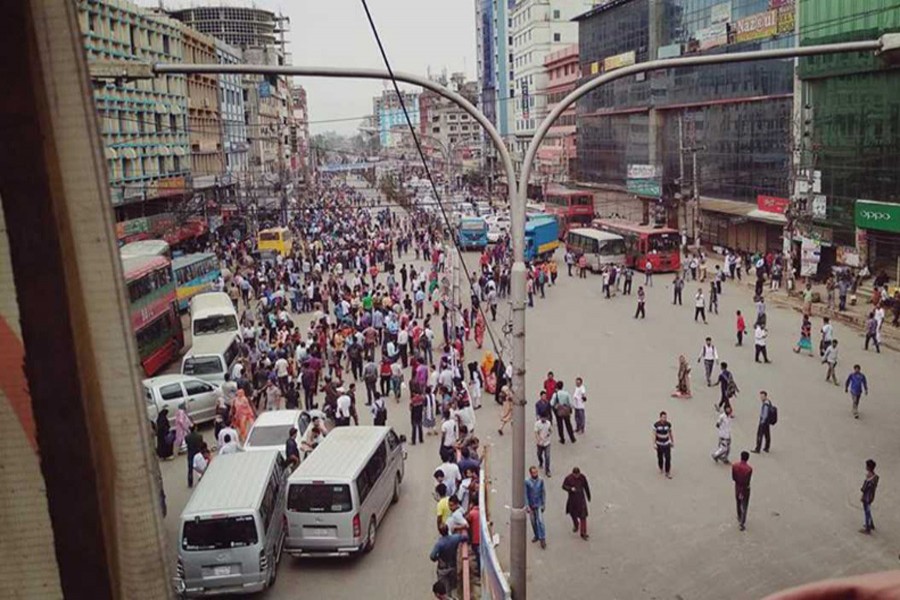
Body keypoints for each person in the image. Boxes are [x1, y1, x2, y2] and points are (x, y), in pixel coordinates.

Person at [429, 524, 467, 596]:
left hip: (443, 568)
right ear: (448, 530)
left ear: (440, 532)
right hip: (453, 566)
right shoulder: (455, 538)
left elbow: (432, 556)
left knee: (443, 589)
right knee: (453, 587)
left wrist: (438, 558)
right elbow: (465, 538)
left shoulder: (439, 544)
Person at [562, 467, 591, 540]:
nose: (577, 476)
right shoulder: (568, 478)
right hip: (572, 499)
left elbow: (586, 486)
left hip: (581, 499)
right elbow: (563, 486)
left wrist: (588, 495)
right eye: (576, 475)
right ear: (573, 474)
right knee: (573, 513)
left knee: (583, 516)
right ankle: (576, 524)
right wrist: (570, 489)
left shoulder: (582, 477)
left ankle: (583, 532)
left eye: (578, 474)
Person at [525, 466, 547, 549]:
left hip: (538, 504)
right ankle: (536, 535)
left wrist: (543, 504)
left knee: (540, 521)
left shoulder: (541, 481)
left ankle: (542, 538)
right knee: (533, 522)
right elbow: (525, 494)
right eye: (533, 473)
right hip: (531, 505)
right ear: (530, 473)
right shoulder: (527, 482)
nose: (535, 474)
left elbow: (543, 492)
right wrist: (527, 506)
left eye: (536, 472)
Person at [732, 451, 753, 531]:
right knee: (744, 505)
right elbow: (747, 481)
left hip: (737, 486)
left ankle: (739, 516)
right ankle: (742, 523)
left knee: (738, 502)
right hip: (745, 488)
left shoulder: (734, 466)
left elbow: (733, 478)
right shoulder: (749, 469)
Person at [859, 459, 879, 534]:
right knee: (868, 510)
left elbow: (864, 488)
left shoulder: (869, 477)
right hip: (871, 496)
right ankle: (871, 525)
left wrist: (862, 496)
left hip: (866, 497)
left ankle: (868, 528)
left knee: (867, 511)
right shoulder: (875, 477)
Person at [652, 411, 674, 478]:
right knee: (660, 458)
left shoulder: (668, 424)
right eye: (663, 417)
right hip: (659, 444)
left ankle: (667, 472)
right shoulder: (656, 425)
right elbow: (654, 434)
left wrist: (672, 441)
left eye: (665, 417)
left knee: (668, 458)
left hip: (667, 444)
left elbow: (670, 433)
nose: (664, 418)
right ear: (660, 417)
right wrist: (654, 443)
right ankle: (661, 467)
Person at [534, 413, 553, 477]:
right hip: (540, 443)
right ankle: (541, 462)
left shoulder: (548, 423)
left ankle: (547, 470)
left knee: (547, 456)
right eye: (542, 418)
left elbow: (550, 430)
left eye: (545, 418)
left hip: (547, 442)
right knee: (539, 454)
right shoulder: (537, 424)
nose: (543, 419)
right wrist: (538, 439)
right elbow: (536, 432)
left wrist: (549, 433)